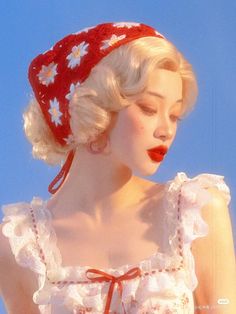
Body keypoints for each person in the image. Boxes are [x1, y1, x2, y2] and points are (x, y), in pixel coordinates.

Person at [0, 21, 235, 314]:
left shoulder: (194, 213)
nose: (166, 130)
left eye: (174, 115)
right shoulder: (21, 246)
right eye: (149, 109)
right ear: (96, 108)